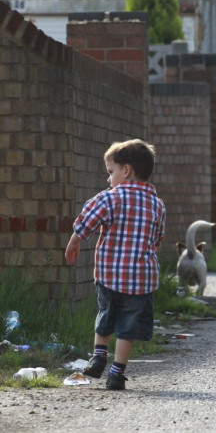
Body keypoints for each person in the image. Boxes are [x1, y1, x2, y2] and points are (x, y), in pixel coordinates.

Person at [65, 139, 166, 390]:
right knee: (127, 328)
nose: (109, 179)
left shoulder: (109, 198)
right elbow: (157, 240)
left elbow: (86, 220)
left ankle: (99, 355)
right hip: (141, 280)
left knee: (106, 316)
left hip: (109, 274)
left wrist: (75, 241)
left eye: (111, 172)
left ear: (126, 170)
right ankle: (117, 373)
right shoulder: (157, 204)